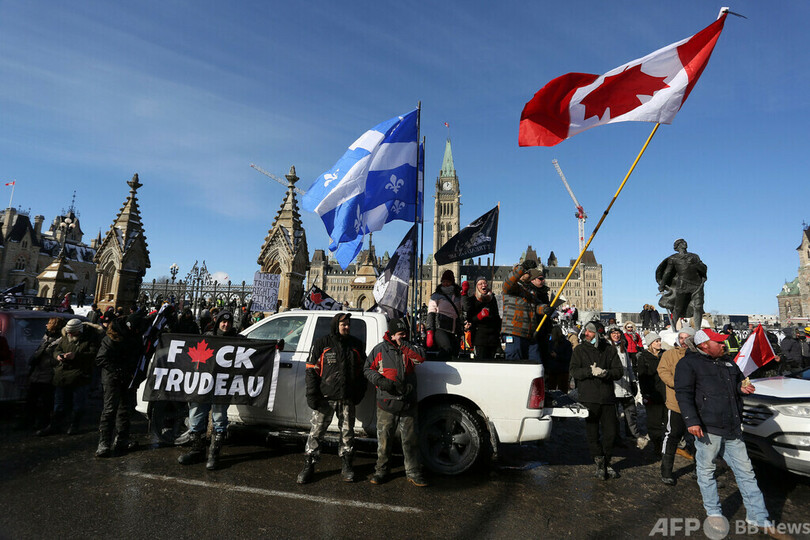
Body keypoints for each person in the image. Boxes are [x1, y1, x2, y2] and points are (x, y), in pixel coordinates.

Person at [675, 329, 790, 538]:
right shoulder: (688, 364)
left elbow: (735, 383)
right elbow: (683, 394)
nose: (723, 345)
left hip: (732, 427)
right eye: (718, 342)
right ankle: (714, 513)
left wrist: (741, 388)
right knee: (707, 471)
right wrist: (691, 421)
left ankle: (759, 517)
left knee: (746, 472)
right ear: (703, 345)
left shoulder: (728, 362)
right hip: (707, 429)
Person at [297, 312, 367, 484]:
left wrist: (358, 392)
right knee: (316, 432)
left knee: (347, 434)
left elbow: (363, 372)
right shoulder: (322, 344)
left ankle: (347, 465)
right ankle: (309, 465)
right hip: (325, 398)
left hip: (347, 398)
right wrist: (313, 395)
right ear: (336, 325)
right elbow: (311, 369)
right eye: (344, 324)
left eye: (349, 324)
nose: (347, 327)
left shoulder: (356, 345)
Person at [364, 318, 428, 487]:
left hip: (408, 402)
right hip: (387, 402)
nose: (404, 336)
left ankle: (413, 472)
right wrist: (381, 381)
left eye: (405, 333)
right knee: (384, 439)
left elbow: (421, 358)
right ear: (392, 335)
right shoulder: (380, 350)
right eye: (400, 334)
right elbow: (367, 369)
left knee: (410, 439)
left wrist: (403, 346)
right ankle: (381, 470)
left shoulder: (409, 347)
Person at [178, 310, 237, 470]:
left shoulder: (236, 339)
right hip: (202, 385)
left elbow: (254, 348)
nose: (226, 325)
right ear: (218, 322)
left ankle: (214, 454)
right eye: (223, 322)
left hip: (221, 387)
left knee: (219, 419)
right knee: (196, 416)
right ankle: (197, 450)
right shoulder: (207, 337)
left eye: (229, 322)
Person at [570, 321, 623, 480]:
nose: (586, 333)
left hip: (607, 398)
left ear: (598, 334)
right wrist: (589, 371)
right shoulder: (579, 350)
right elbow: (573, 371)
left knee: (611, 433)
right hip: (589, 398)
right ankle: (599, 460)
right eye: (586, 330)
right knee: (592, 433)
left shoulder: (609, 350)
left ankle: (607, 461)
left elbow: (619, 371)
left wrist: (606, 373)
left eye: (590, 331)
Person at [37, 318, 100, 436]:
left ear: (79, 331)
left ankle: (74, 425)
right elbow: (57, 350)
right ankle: (55, 425)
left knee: (78, 404)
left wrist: (75, 356)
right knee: (59, 403)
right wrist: (59, 356)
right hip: (62, 375)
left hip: (80, 375)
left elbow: (93, 355)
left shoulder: (91, 339)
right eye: (68, 332)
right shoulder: (65, 337)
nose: (70, 334)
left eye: (72, 332)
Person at [95, 317, 142, 457]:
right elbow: (101, 358)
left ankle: (122, 439)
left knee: (125, 410)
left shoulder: (132, 338)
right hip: (112, 379)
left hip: (127, 378)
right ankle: (104, 443)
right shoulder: (110, 339)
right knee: (109, 410)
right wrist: (118, 370)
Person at [657, 326, 697, 485]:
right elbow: (663, 371)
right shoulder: (669, 354)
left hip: (695, 404)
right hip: (676, 403)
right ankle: (666, 470)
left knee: (698, 439)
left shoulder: (698, 356)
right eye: (681, 338)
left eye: (687, 338)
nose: (684, 341)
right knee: (672, 436)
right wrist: (677, 384)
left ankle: (699, 470)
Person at [502, 259, 553, 362]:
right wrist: (522, 268)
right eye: (527, 272)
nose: (529, 274)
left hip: (529, 334)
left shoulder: (530, 291)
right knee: (515, 363)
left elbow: (536, 306)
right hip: (514, 332)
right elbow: (509, 282)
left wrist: (545, 309)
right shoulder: (512, 287)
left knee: (535, 363)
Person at [21, 318, 65, 430]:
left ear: (55, 325)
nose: (46, 325)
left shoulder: (60, 340)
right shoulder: (47, 336)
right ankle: (27, 421)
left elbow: (55, 356)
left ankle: (42, 423)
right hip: (38, 371)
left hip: (48, 373)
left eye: (49, 323)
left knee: (46, 401)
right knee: (31, 399)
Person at [607, 326, 646, 450]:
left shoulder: (624, 348)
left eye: (618, 333)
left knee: (631, 412)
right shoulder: (607, 348)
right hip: (614, 386)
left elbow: (629, 367)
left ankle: (632, 435)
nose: (616, 335)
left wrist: (633, 381)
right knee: (615, 415)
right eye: (613, 333)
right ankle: (616, 438)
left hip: (626, 386)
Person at [656, 238, 707, 331]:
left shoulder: (694, 256)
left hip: (697, 285)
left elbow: (703, 269)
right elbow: (667, 272)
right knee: (678, 307)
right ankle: (674, 328)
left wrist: (696, 264)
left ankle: (698, 330)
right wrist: (662, 285)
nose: (685, 243)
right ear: (678, 246)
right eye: (682, 242)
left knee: (698, 307)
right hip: (682, 285)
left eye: (684, 242)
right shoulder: (673, 258)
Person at [635, 332, 666, 453]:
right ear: (650, 344)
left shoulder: (664, 354)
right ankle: (657, 445)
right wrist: (645, 394)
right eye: (656, 341)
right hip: (653, 393)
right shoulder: (644, 357)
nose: (659, 343)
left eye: (659, 341)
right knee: (655, 421)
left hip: (665, 391)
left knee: (667, 419)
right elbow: (642, 377)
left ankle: (666, 443)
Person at [426, 270, 463, 358]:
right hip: (440, 328)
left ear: (452, 282)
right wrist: (430, 331)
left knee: (455, 352)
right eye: (444, 281)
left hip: (454, 329)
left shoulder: (458, 295)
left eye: (448, 282)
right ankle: (437, 367)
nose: (445, 284)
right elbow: (431, 313)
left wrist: (464, 295)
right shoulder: (436, 295)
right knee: (446, 348)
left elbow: (463, 310)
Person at [463, 276, 502, 360]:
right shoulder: (472, 300)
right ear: (476, 286)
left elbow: (496, 316)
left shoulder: (492, 298)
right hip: (479, 337)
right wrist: (479, 316)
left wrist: (499, 330)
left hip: (493, 337)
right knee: (480, 360)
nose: (483, 285)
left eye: (484, 283)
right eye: (480, 284)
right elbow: (470, 319)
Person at [546, 325, 573, 392]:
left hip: (554, 369)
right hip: (562, 370)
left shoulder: (550, 344)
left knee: (552, 389)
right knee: (563, 390)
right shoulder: (567, 343)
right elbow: (569, 357)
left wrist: (556, 356)